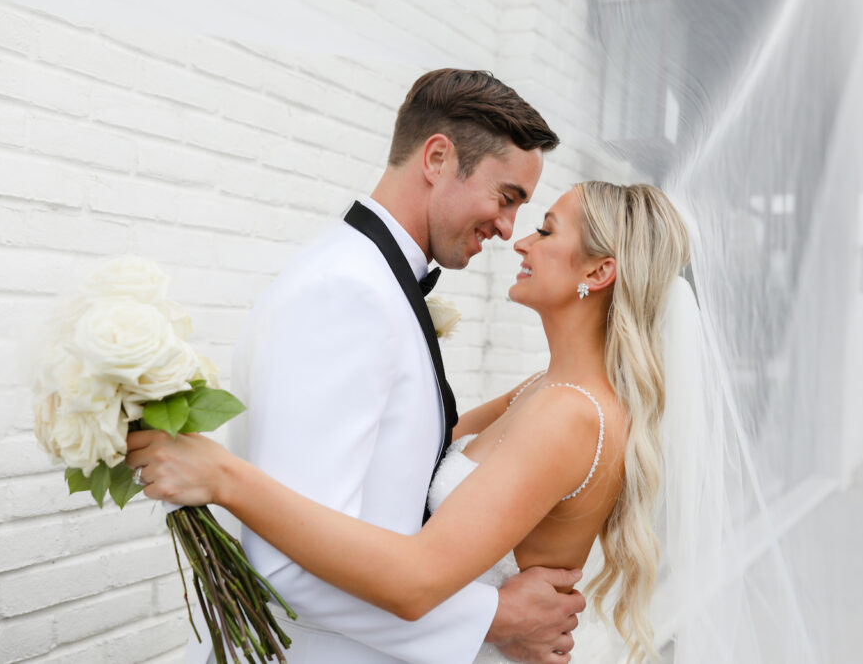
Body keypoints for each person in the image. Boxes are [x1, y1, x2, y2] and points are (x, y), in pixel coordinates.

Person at [129, 180, 694, 664]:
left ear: (598, 271)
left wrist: (224, 478)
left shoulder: (570, 414)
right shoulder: (543, 389)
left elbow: (415, 579)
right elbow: (422, 445)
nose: (521, 240)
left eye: (546, 231)